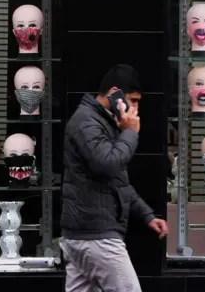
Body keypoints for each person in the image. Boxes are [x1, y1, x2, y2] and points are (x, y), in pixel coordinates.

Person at [60, 64, 169, 292]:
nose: (136, 108)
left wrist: (146, 215)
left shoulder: (100, 121)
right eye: (133, 100)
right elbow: (108, 165)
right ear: (114, 93)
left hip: (83, 235)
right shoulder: (87, 122)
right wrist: (130, 132)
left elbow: (117, 182)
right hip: (96, 236)